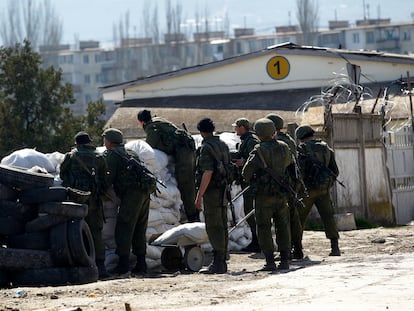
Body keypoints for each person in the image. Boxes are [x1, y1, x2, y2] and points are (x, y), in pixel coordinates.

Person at [242, 118, 292, 271]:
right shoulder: (284, 147)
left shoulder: (258, 150)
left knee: (263, 227)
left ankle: (270, 262)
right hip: (281, 193)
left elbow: (246, 173)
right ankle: (284, 260)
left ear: (258, 134)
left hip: (263, 196)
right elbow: (289, 164)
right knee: (283, 226)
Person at [102, 128, 153, 275]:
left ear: (109, 141)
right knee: (139, 228)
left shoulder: (112, 154)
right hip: (144, 192)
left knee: (124, 227)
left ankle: (123, 264)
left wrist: (99, 189)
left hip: (131, 195)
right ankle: (141, 264)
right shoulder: (131, 152)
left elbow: (108, 177)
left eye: (105, 139)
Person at [60, 131, 110, 279]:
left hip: (76, 198)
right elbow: (105, 179)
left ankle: (82, 265)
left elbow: (63, 174)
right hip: (94, 199)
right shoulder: (99, 157)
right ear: (88, 142)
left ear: (77, 143)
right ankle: (101, 268)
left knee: (76, 230)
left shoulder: (71, 156)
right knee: (96, 231)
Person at [137, 110, 199, 222]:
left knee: (186, 184)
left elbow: (150, 151)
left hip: (184, 153)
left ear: (141, 122)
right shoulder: (158, 121)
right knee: (188, 183)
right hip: (186, 150)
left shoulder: (152, 128)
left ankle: (193, 216)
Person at [295, 125, 341, 256]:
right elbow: (335, 171)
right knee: (328, 217)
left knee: (299, 220)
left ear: (300, 137)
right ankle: (335, 248)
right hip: (323, 190)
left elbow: (299, 172)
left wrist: (298, 190)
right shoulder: (326, 148)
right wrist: (326, 184)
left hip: (306, 191)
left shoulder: (301, 149)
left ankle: (297, 249)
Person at [265, 113, 304, 260]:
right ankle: (297, 248)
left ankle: (286, 251)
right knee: (293, 217)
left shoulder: (277, 142)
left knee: (283, 219)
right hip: (293, 182)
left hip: (282, 183)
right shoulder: (289, 140)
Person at [195, 118, 230, 274]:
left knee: (214, 226)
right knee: (222, 225)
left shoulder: (206, 147)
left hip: (213, 192)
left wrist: (199, 195)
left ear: (201, 132)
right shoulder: (222, 144)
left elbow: (207, 173)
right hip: (223, 190)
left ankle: (218, 263)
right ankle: (222, 260)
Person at [230, 117, 261, 253]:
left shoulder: (251, 141)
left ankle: (257, 242)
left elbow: (255, 159)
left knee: (251, 211)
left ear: (242, 127)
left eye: (236, 127)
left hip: (252, 182)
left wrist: (243, 163)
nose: (235, 129)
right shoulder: (246, 140)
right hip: (248, 181)